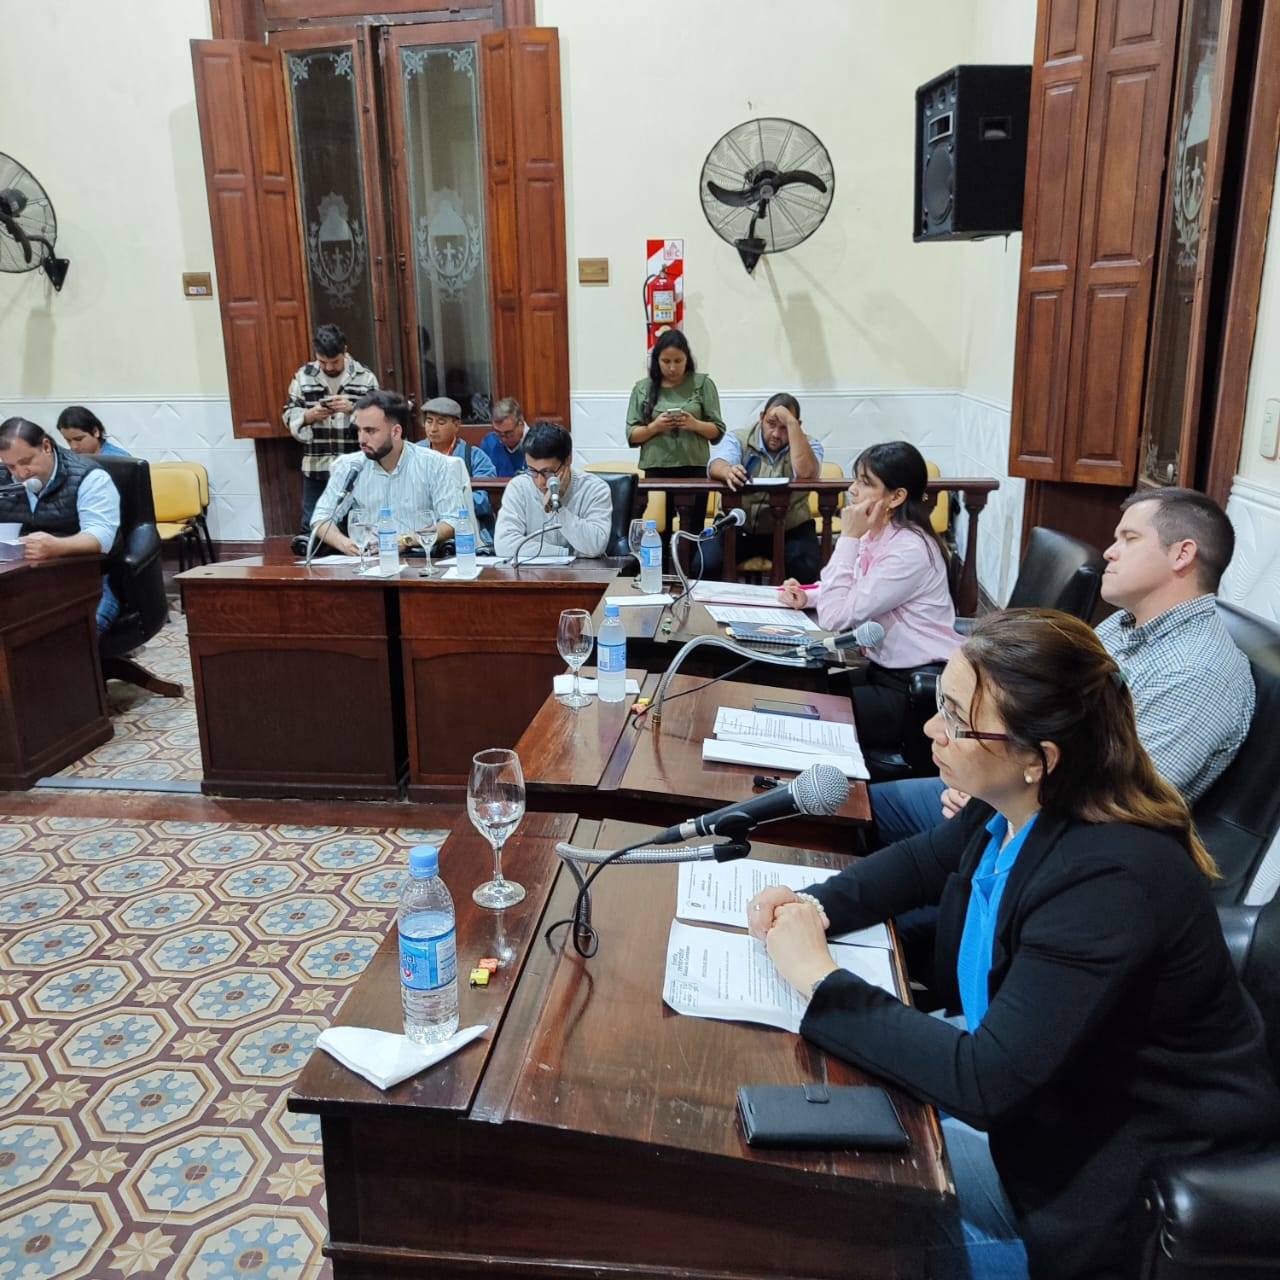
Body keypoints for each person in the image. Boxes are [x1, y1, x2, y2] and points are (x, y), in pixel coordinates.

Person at [749, 610, 1280, 1280]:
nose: (931, 730)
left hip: (1097, 1188)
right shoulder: (1016, 801)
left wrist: (819, 978)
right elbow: (924, 861)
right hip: (1035, 1108)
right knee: (797, 1144)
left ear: (1039, 757)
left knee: (816, 1229)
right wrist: (815, 905)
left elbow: (984, 1082)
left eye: (955, 718)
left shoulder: (1110, 879)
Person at [872, 486, 1256, 846]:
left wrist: (997, 797)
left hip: (1053, 837)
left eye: (1129, 539)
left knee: (867, 832)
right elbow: (1045, 716)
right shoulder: (1124, 625)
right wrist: (986, 779)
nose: (1110, 552)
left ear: (1182, 554)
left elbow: (1120, 799)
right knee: (860, 806)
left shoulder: (1199, 672)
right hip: (1007, 791)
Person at [778, 441, 960, 770]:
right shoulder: (881, 534)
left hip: (912, 688)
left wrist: (847, 537)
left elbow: (835, 617)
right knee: (799, 689)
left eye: (865, 483)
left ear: (896, 496)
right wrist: (809, 596)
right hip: (883, 671)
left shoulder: (909, 550)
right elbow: (853, 590)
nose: (852, 490)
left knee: (807, 714)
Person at [0, 418, 122, 632]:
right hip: (22, 582)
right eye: (11, 466)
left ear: (46, 447)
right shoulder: (5, 481)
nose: (20, 473)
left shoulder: (90, 477)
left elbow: (100, 537)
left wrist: (56, 546)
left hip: (90, 579)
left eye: (26, 461)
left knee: (63, 637)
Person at [310, 391, 463, 556]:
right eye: (359, 430)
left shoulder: (434, 464)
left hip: (419, 558)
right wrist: (345, 544)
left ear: (396, 432)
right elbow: (322, 517)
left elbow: (452, 521)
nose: (362, 439)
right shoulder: (349, 466)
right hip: (366, 559)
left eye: (370, 431)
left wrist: (406, 541)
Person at [703, 392, 823, 582]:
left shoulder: (809, 444)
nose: (776, 434)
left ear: (797, 424)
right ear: (761, 417)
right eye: (771, 424)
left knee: (806, 570)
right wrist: (727, 470)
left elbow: (807, 473)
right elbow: (716, 464)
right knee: (704, 565)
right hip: (737, 526)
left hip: (790, 529)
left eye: (784, 427)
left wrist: (792, 425)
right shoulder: (738, 438)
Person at [625, 330, 725, 557]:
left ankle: (691, 570)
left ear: (687, 358)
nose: (672, 368)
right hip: (657, 469)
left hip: (695, 467)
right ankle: (658, 570)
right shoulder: (643, 388)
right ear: (657, 361)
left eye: (678, 361)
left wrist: (694, 424)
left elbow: (718, 430)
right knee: (659, 528)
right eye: (666, 361)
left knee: (693, 528)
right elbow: (632, 435)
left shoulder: (702, 384)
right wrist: (655, 427)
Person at [283, 323, 379, 530]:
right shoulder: (303, 376)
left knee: (355, 527)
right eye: (322, 362)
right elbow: (288, 413)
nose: (328, 367)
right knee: (313, 527)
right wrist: (308, 416)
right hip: (316, 467)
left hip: (355, 469)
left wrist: (353, 409)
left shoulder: (365, 377)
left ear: (345, 350)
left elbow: (378, 420)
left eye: (334, 362)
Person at [492, 422, 612, 561]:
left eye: (548, 472)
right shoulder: (519, 487)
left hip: (585, 573)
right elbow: (504, 545)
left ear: (568, 460)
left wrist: (558, 508)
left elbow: (596, 546)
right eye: (532, 471)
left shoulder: (595, 489)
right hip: (534, 573)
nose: (540, 482)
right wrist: (563, 553)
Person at [419, 395, 496, 543]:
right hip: (423, 530)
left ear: (456, 425)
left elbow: (483, 500)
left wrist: (446, 503)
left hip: (464, 533)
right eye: (429, 421)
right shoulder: (415, 452)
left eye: (441, 422)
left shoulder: (475, 457)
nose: (433, 429)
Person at [478, 397, 528, 477]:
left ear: (521, 423)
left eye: (508, 433)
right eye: (498, 433)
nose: (503, 439)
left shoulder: (537, 443)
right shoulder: (489, 442)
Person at [56, 406, 130, 458]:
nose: (73, 447)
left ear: (95, 432)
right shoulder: (68, 459)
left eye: (79, 439)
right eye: (68, 440)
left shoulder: (120, 460)